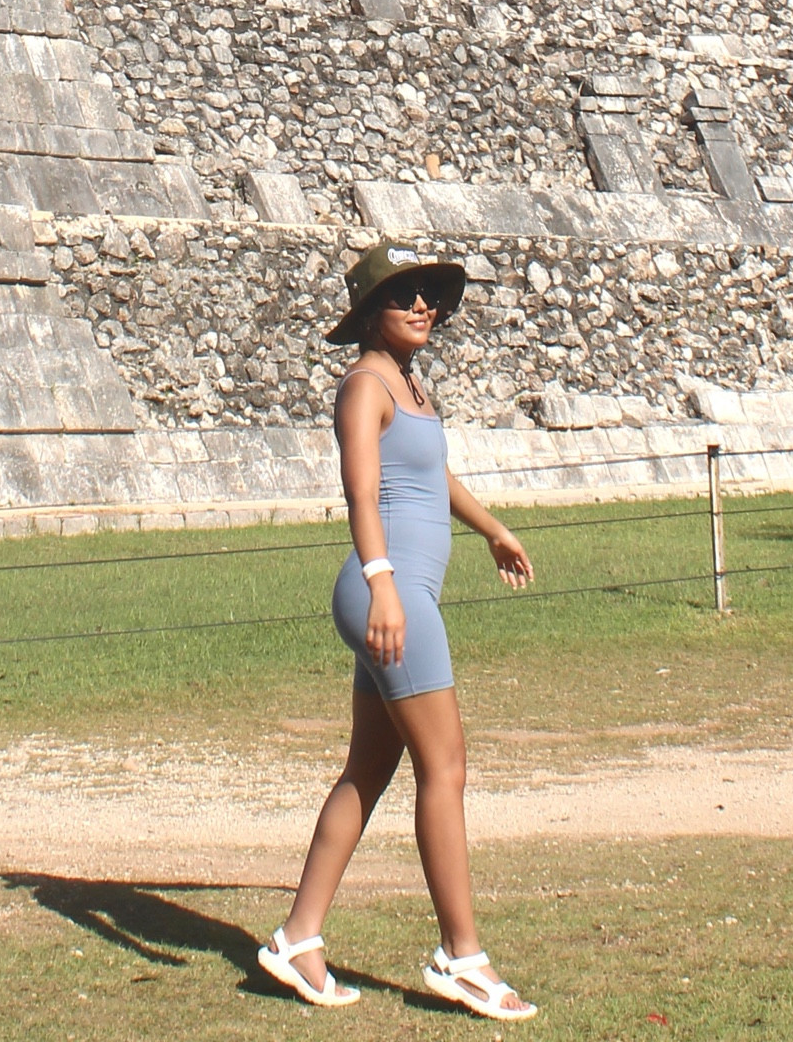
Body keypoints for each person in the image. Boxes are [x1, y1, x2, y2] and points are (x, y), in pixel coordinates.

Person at [257, 242, 538, 1021]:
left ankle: (297, 939)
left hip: (396, 594)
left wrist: (492, 528)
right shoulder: (364, 385)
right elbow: (362, 491)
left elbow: (429, 477)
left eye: (429, 296)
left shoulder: (409, 385)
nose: (422, 306)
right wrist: (383, 586)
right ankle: (462, 957)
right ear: (367, 314)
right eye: (402, 295)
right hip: (391, 595)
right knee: (444, 766)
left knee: (369, 769)